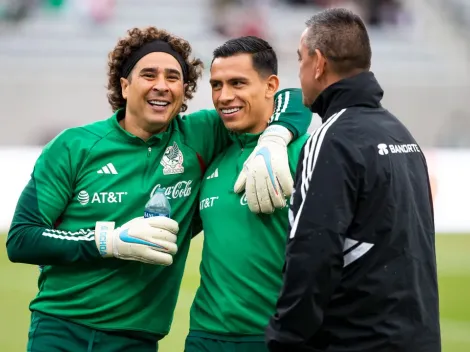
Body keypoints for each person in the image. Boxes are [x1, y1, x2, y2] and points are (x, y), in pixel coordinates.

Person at [6, 27, 311, 351]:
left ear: (185, 89)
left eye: (173, 77)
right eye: (149, 75)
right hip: (62, 327)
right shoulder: (74, 145)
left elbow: (289, 98)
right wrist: (107, 240)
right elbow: (22, 238)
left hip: (138, 338)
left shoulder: (202, 134)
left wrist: (276, 136)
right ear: (124, 85)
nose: (162, 86)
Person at [265, 8, 441, 352]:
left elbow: (312, 251)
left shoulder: (331, 138)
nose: (298, 72)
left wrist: (284, 339)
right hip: (417, 337)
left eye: (300, 59)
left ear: (318, 63)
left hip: (355, 339)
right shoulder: (399, 133)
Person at [185, 36, 311, 352]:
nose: (224, 96)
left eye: (238, 83)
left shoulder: (304, 153)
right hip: (203, 336)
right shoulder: (215, 152)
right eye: (216, 85)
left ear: (271, 86)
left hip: (275, 336)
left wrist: (275, 139)